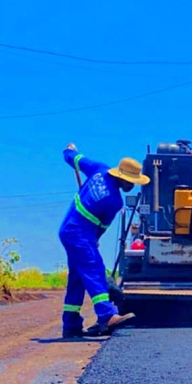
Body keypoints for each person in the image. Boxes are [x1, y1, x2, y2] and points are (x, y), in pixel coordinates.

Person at [59, 143, 147, 338]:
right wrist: (93, 241)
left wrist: (69, 150)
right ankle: (106, 315)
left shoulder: (99, 169)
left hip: (69, 230)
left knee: (77, 277)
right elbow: (100, 229)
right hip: (79, 235)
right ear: (122, 178)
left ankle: (71, 325)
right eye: (130, 182)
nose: (132, 186)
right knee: (95, 270)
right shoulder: (114, 202)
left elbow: (76, 159)